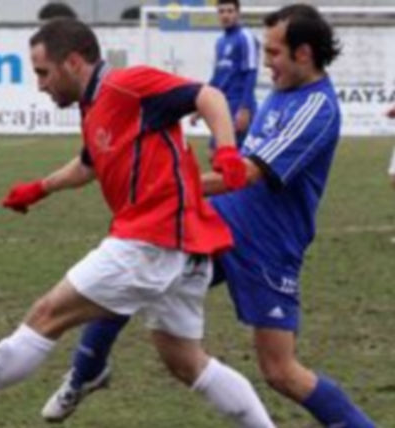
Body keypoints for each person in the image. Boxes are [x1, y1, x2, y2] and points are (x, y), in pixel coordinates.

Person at [0, 18, 274, 428]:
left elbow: (209, 95)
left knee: (46, 315)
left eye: (43, 72)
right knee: (187, 361)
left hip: (151, 240)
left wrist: (227, 151)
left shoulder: (127, 85)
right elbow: (88, 164)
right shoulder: (93, 106)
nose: (40, 85)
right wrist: (40, 188)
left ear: (73, 62)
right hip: (181, 246)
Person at [42, 5, 377, 427]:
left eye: (274, 53)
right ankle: (86, 371)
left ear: (304, 53)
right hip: (220, 221)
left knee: (280, 372)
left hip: (269, 246)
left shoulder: (316, 108)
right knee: (135, 262)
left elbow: (248, 173)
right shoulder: (283, 90)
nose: (266, 62)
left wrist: (164, 185)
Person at [191, 0, 259, 149]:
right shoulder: (220, 42)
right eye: (221, 11)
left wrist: (245, 108)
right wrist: (201, 107)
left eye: (229, 11)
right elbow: (217, 78)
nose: (225, 15)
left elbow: (251, 73)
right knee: (214, 153)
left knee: (232, 154)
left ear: (238, 13)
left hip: (238, 104)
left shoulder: (245, 37)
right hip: (222, 105)